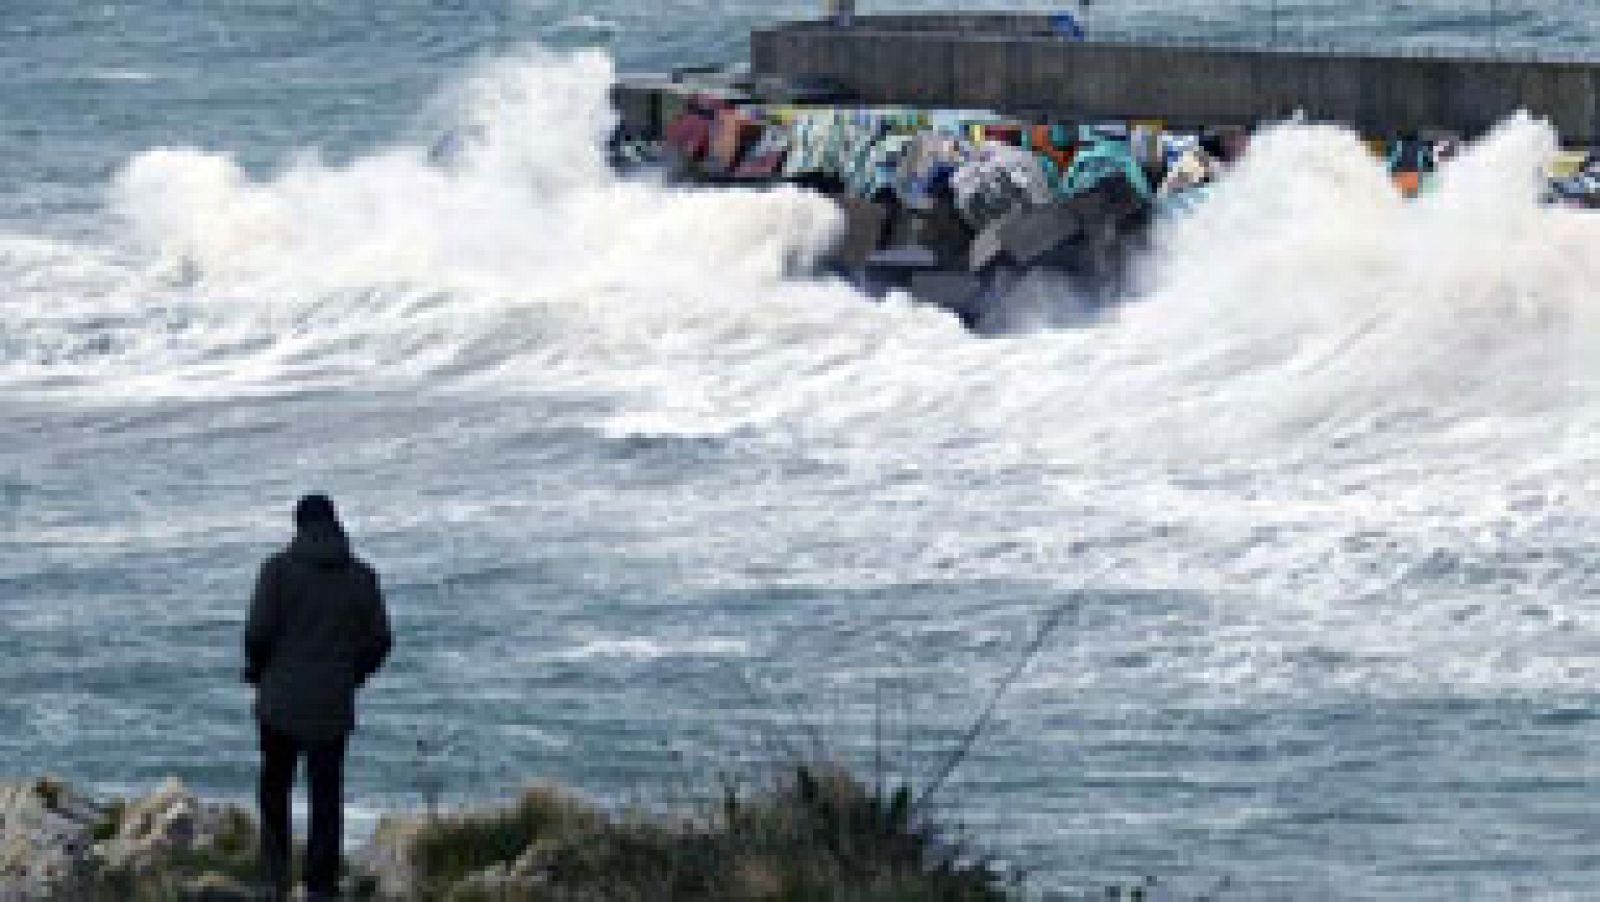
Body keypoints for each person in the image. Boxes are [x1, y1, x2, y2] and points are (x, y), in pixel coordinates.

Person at [245, 494, 392, 900]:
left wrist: (259, 674)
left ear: (298, 526)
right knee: (326, 793)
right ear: (335, 523)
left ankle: (273, 881)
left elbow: (258, 635)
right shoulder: (361, 577)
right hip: (332, 703)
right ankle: (320, 886)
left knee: (275, 788)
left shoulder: (275, 572)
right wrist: (353, 676)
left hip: (279, 703)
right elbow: (380, 640)